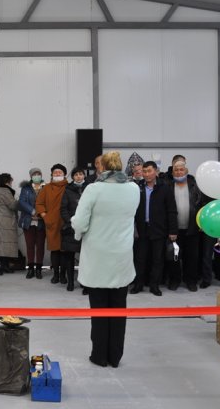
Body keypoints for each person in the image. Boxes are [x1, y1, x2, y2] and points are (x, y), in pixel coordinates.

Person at [71, 151, 140, 368]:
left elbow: (80, 222)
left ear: (102, 167)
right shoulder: (133, 189)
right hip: (122, 255)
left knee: (99, 309)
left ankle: (99, 355)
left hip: (98, 256)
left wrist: (76, 229)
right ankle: (115, 356)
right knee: (119, 309)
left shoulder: (94, 189)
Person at [132, 161, 178, 296]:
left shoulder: (165, 188)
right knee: (140, 259)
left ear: (156, 171)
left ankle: (154, 285)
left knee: (157, 259)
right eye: (144, 171)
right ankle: (138, 284)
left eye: (149, 171)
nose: (146, 174)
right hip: (141, 229)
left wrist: (173, 231)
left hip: (159, 229)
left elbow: (171, 210)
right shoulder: (138, 187)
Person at [168, 159, 203, 292]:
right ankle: (175, 280)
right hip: (174, 230)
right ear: (173, 173)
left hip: (192, 228)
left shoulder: (195, 186)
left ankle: (191, 281)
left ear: (186, 171)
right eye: (176, 170)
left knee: (192, 257)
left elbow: (201, 205)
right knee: (174, 257)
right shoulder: (168, 186)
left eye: (181, 169)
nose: (179, 172)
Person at [36, 164, 69, 285]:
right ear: (51, 174)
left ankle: (63, 275)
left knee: (65, 251)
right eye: (55, 172)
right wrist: (45, 216)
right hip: (51, 223)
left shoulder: (69, 187)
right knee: (54, 250)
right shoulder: (46, 188)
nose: (57, 174)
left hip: (66, 223)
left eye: (60, 172)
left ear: (64, 174)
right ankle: (55, 275)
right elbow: (39, 203)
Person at [0, 173, 20, 275]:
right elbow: (13, 205)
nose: (11, 184)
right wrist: (20, 200)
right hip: (3, 221)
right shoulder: (5, 192)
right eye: (10, 181)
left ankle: (3, 266)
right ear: (6, 182)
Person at [60, 167, 87, 291]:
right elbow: (63, 209)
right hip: (71, 228)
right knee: (69, 257)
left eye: (81, 174)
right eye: (76, 175)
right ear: (73, 177)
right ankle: (70, 282)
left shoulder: (90, 188)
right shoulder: (67, 190)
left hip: (86, 228)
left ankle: (84, 282)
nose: (79, 176)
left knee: (85, 258)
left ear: (84, 175)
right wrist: (71, 221)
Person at [19, 168, 46, 279]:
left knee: (40, 246)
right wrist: (32, 211)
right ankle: (30, 268)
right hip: (28, 220)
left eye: (39, 174)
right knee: (30, 245)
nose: (37, 176)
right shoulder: (25, 188)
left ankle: (39, 268)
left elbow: (48, 202)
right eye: (34, 174)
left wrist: (40, 212)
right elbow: (22, 202)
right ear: (31, 176)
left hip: (42, 221)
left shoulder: (46, 187)